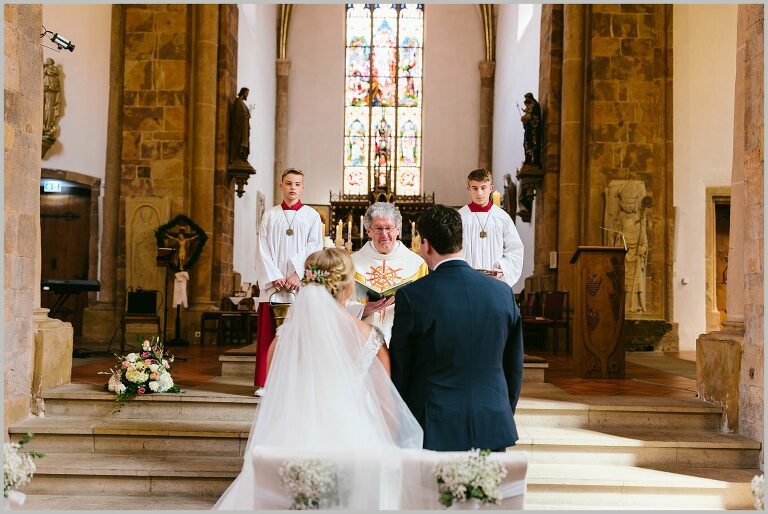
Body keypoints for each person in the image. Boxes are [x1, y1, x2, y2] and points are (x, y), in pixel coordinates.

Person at [215, 249, 423, 510]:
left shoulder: (281, 341)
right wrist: (389, 454)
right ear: (349, 287)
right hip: (355, 442)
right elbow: (386, 408)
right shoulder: (370, 338)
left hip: (291, 438)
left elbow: (275, 399)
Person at [389, 204, 524, 452]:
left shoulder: (413, 295)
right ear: (460, 241)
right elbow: (514, 366)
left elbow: (401, 367)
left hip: (433, 423)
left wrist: (403, 422)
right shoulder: (502, 293)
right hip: (492, 419)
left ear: (426, 245)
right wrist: (503, 409)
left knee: (435, 492)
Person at [253, 168, 322, 395]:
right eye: (288, 183)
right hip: (275, 286)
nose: (292, 187)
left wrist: (297, 274)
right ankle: (266, 383)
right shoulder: (270, 215)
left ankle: (297, 383)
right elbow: (262, 249)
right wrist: (274, 276)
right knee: (269, 334)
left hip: (297, 285)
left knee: (299, 334)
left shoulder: (311, 216)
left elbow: (314, 247)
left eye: (297, 184)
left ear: (303, 187)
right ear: (281, 186)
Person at [350, 202, 428, 345]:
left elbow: (425, 306)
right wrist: (362, 310)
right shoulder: (351, 264)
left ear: (397, 229)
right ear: (368, 231)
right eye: (378, 228)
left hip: (404, 339)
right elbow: (339, 305)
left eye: (389, 228)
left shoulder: (417, 265)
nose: (384, 234)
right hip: (361, 338)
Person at [459, 168, 524, 289]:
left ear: (491, 188)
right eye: (475, 188)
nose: (479, 193)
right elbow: (451, 251)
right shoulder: (460, 217)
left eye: (483, 188)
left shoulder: (502, 217)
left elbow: (515, 250)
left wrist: (502, 269)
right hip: (466, 283)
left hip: (494, 283)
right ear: (468, 189)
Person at [229, 87, 250, 163]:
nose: (247, 95)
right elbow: (237, 114)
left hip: (244, 127)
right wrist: (245, 115)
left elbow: (244, 113)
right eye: (246, 93)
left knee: (244, 142)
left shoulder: (242, 103)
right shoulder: (238, 101)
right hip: (240, 128)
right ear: (243, 92)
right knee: (239, 142)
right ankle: (236, 158)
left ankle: (241, 157)